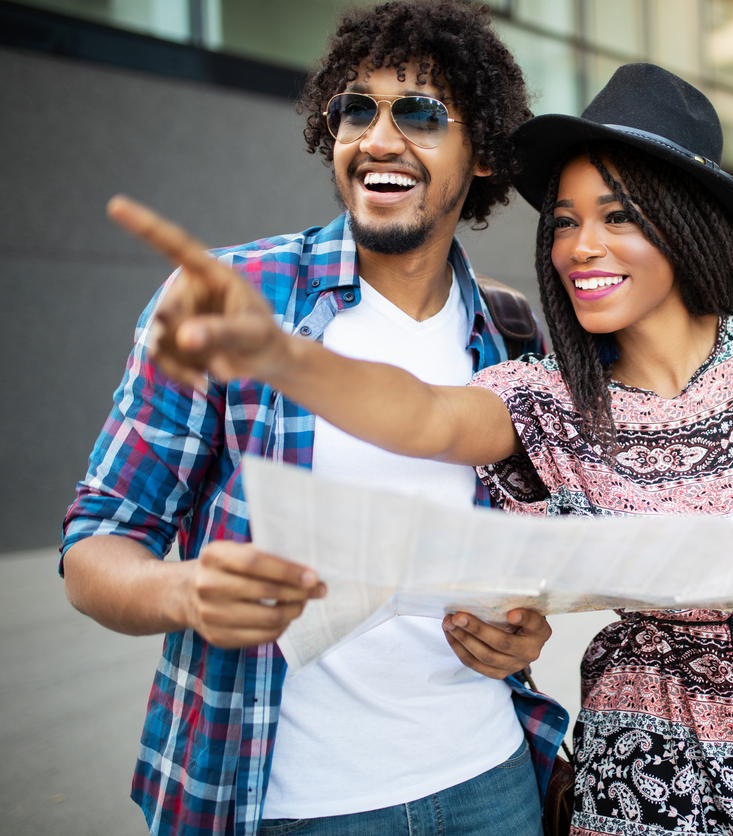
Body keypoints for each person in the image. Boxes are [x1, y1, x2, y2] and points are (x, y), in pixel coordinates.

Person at [111, 64, 733, 836]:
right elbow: (419, 415)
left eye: (617, 215)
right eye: (564, 221)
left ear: (686, 224)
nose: (579, 247)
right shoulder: (550, 396)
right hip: (642, 781)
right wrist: (279, 353)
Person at [60, 3, 568, 836]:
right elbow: (94, 548)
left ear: (481, 155)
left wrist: (522, 631)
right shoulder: (232, 299)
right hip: (289, 803)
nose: (377, 137)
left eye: (421, 112)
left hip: (491, 779)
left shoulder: (509, 332)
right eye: (356, 108)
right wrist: (184, 591)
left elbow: (524, 554)